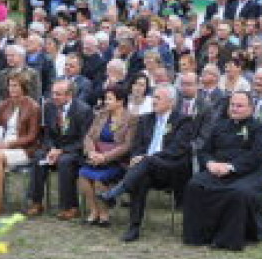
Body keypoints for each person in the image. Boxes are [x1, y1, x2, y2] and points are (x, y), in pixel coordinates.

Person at [100, 84, 195, 241]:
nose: (153, 101)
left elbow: (176, 150)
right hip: (146, 170)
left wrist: (146, 158)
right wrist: (138, 157)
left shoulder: (183, 121)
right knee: (140, 177)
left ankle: (115, 193)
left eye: (158, 98)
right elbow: (137, 147)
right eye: (153, 97)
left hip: (170, 169)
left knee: (144, 163)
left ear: (171, 102)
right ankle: (134, 227)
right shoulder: (145, 119)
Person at [182, 91, 262, 251]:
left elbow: (257, 156)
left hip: (247, 173)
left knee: (238, 192)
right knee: (195, 185)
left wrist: (231, 167)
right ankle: (198, 236)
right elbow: (204, 151)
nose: (235, 109)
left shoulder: (259, 128)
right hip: (217, 169)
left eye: (240, 106)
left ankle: (227, 239)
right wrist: (210, 163)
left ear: (251, 108)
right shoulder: (219, 125)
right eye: (232, 105)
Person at [0, 72, 41, 217]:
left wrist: (8, 144)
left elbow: (32, 136)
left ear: (23, 87)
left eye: (15, 85)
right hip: (3, 145)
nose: (11, 88)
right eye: (10, 85)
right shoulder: (4, 105)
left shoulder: (33, 106)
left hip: (23, 148)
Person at [27, 77, 93, 219]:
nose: (54, 97)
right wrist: (51, 148)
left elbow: (85, 140)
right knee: (39, 156)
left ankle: (70, 206)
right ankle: (36, 201)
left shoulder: (83, 110)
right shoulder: (49, 106)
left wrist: (62, 151)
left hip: (76, 151)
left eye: (58, 94)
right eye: (53, 93)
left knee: (65, 161)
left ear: (69, 95)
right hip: (55, 148)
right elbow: (47, 134)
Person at [77, 85, 136, 226]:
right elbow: (89, 137)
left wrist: (105, 157)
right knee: (83, 175)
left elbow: (127, 146)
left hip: (117, 161)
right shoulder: (101, 115)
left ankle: (104, 215)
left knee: (99, 179)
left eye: (110, 99)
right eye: (105, 99)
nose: (106, 102)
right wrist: (91, 152)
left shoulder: (131, 119)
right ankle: (94, 211)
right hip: (96, 156)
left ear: (120, 101)